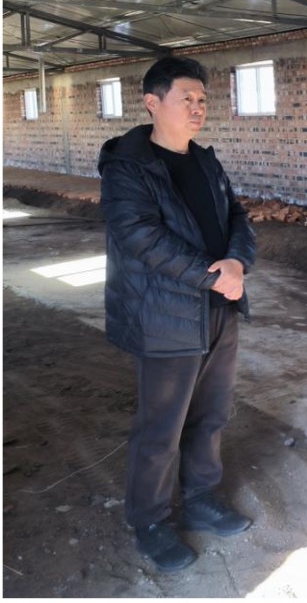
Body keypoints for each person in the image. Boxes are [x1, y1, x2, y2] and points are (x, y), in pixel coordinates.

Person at [99, 56, 256, 572]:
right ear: (152, 102)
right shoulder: (128, 167)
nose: (197, 107)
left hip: (218, 309)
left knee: (211, 414)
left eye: (202, 99)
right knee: (161, 427)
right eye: (186, 98)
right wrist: (214, 276)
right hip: (165, 316)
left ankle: (201, 499)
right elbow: (141, 237)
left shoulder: (205, 161)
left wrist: (237, 262)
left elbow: (237, 216)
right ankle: (150, 520)